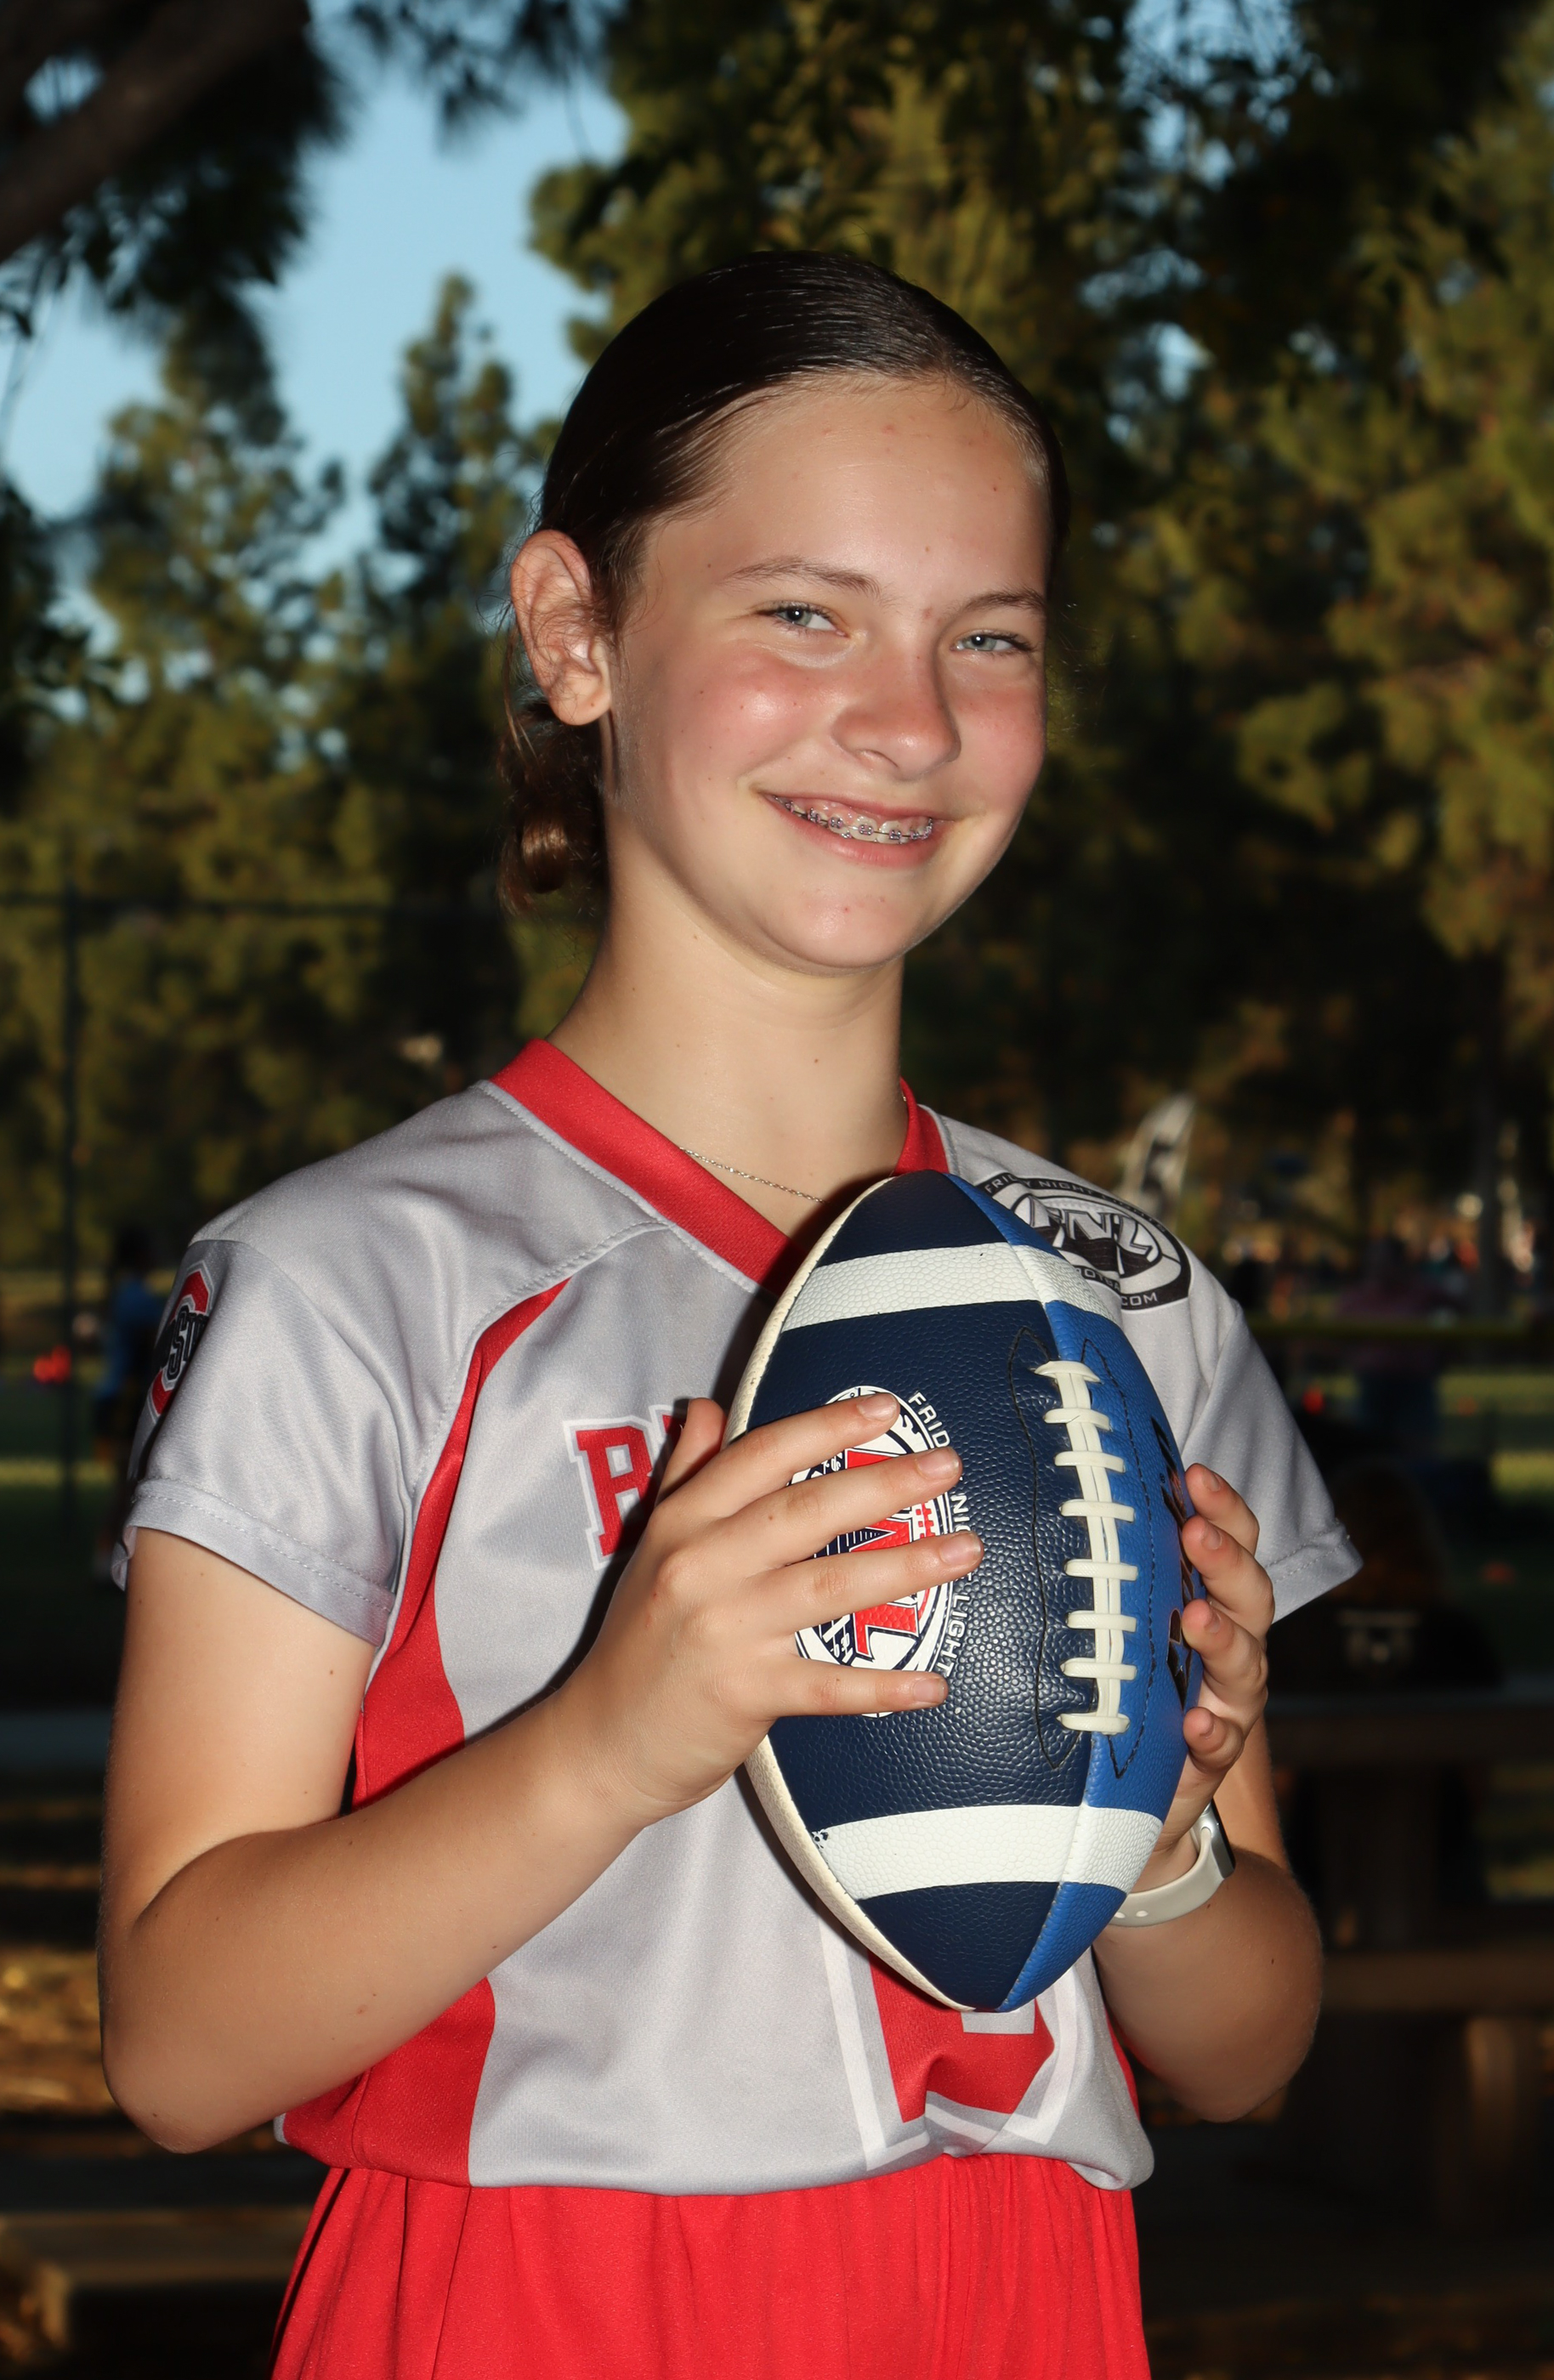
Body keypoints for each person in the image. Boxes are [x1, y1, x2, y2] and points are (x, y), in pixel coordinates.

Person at [99, 254, 1358, 2380]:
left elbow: (1249, 2046)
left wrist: (1156, 1848)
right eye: (804, 613)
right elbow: (176, 2047)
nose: (911, 719)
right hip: (536, 2308)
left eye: (989, 636)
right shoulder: (357, 1280)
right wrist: (615, 1734)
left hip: (1025, 2310)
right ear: (574, 631)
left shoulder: (1118, 1297)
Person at [90, 1226, 167, 1584]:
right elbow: (153, 1346)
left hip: (119, 1398)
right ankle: (105, 1560)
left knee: (129, 1485)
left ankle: (113, 1558)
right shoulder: (135, 1297)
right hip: (123, 1401)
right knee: (126, 1486)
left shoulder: (126, 1293)